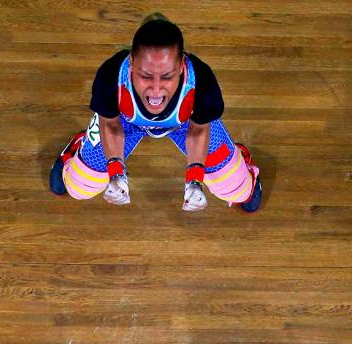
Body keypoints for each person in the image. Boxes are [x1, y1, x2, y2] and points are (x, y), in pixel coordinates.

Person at [49, 14, 262, 213]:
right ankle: (78, 146)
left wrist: (194, 181)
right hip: (125, 122)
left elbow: (198, 130)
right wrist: (116, 173)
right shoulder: (111, 74)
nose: (156, 90)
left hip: (186, 123)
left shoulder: (202, 80)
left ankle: (244, 166)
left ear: (181, 66)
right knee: (80, 187)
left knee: (238, 190)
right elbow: (111, 124)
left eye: (167, 76)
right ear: (131, 63)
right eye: (146, 76)